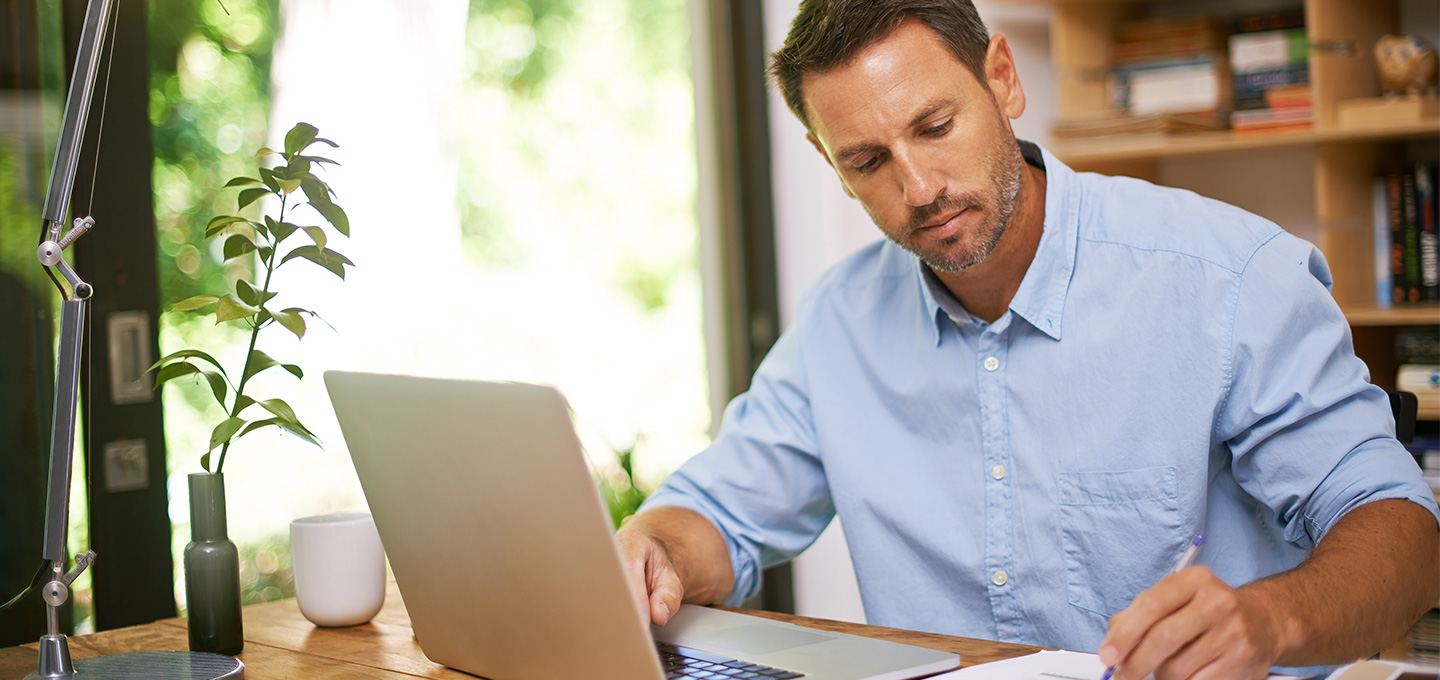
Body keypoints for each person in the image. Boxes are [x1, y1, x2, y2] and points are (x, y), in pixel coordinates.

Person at [616, 1, 1440, 678]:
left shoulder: (1227, 279)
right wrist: (656, 551)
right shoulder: (837, 323)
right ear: (829, 162)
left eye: (935, 126)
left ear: (1003, 80)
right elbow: (718, 517)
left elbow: (1402, 530)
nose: (919, 188)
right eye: (868, 160)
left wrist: (1268, 619)